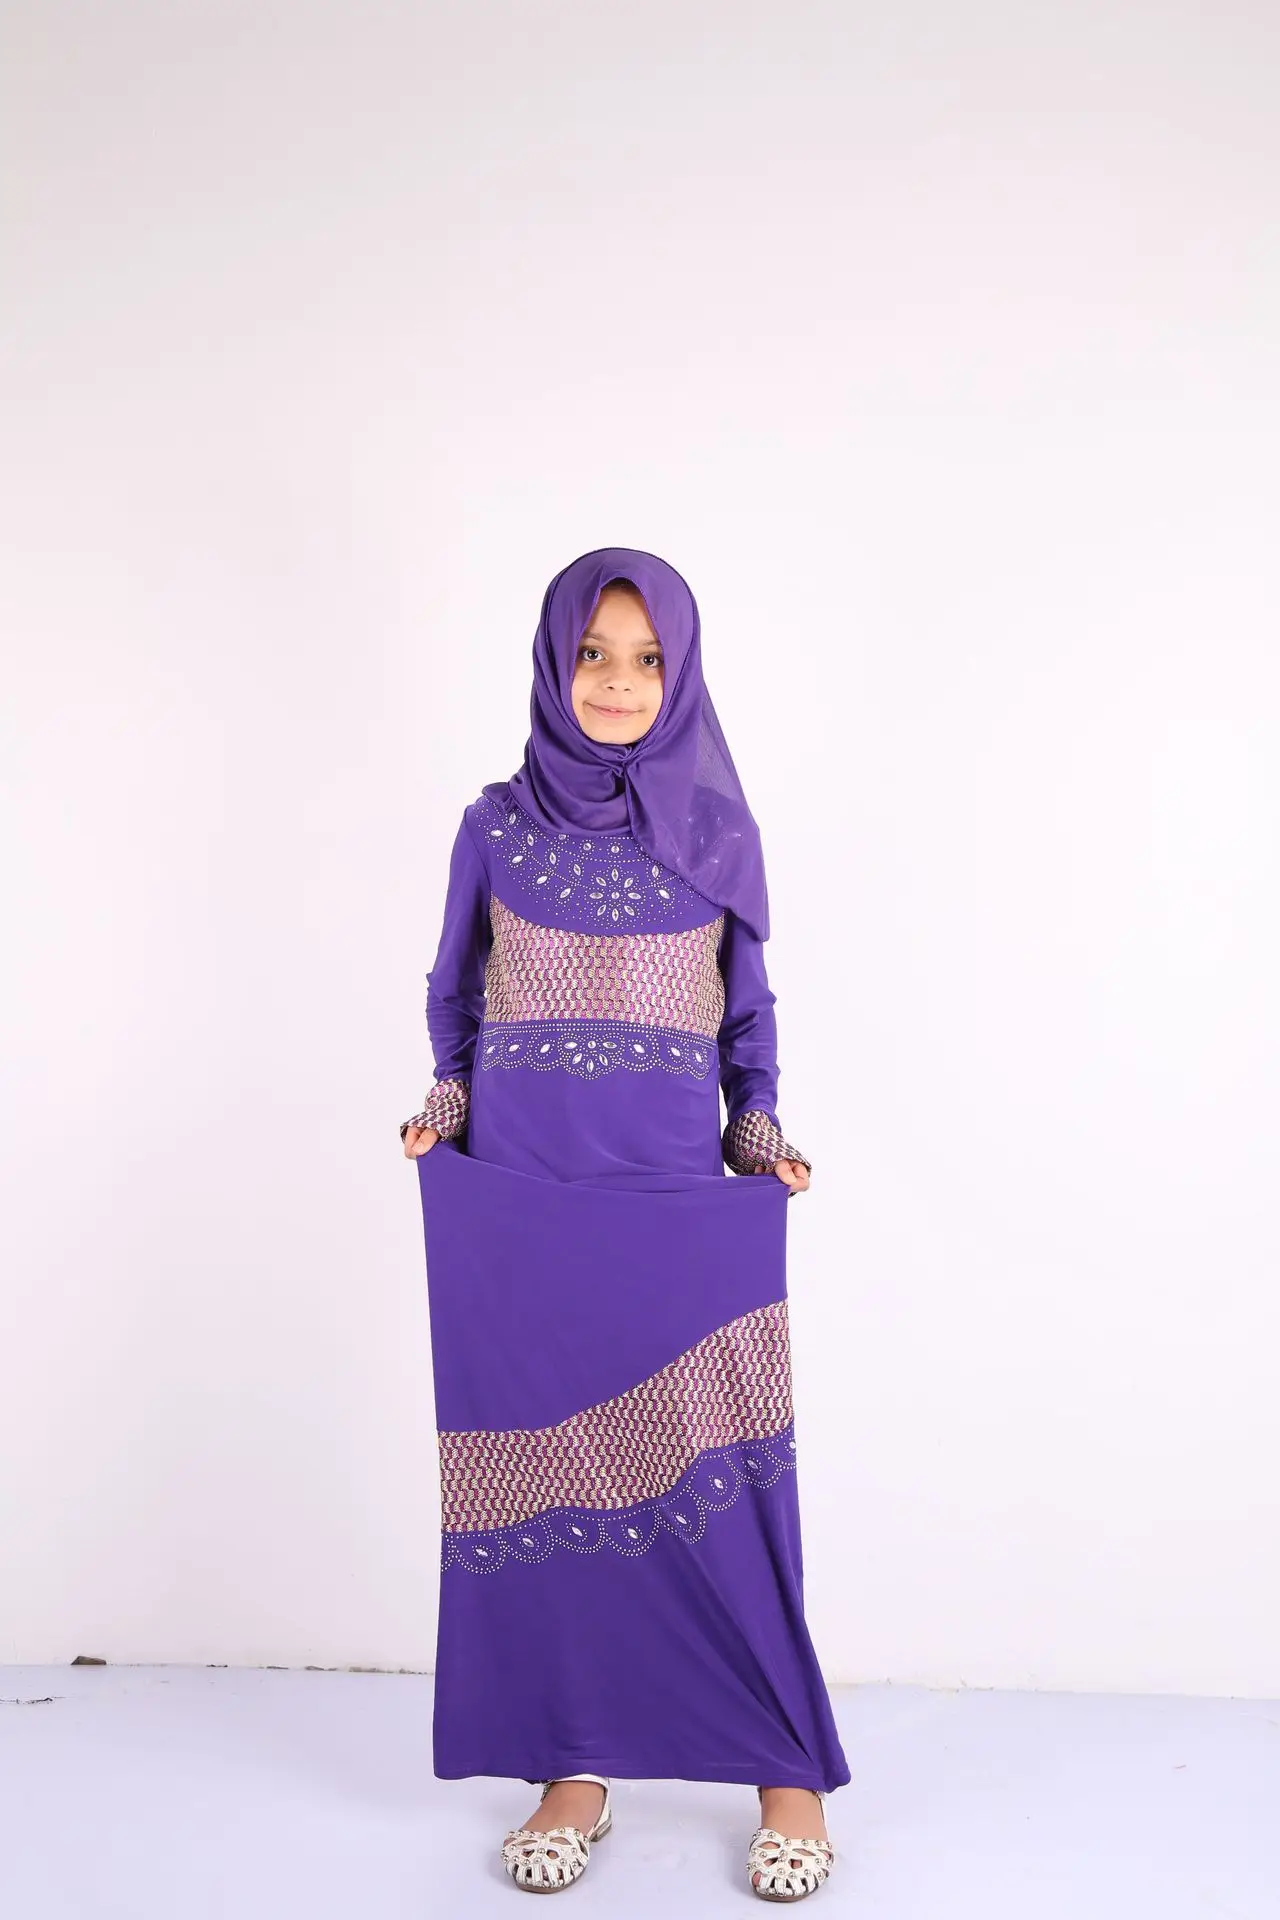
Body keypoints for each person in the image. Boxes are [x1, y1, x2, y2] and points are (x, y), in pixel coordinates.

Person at [401, 547, 849, 1900]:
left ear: (683, 672)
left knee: (733, 1494)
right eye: (592, 653)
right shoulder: (493, 825)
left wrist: (757, 1132)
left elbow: (747, 1017)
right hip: (523, 1201)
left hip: (669, 1200)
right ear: (554, 664)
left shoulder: (716, 832)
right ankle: (575, 1764)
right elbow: (458, 997)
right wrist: (446, 1100)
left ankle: (788, 1771)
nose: (616, 681)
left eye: (647, 658)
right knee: (547, 1480)